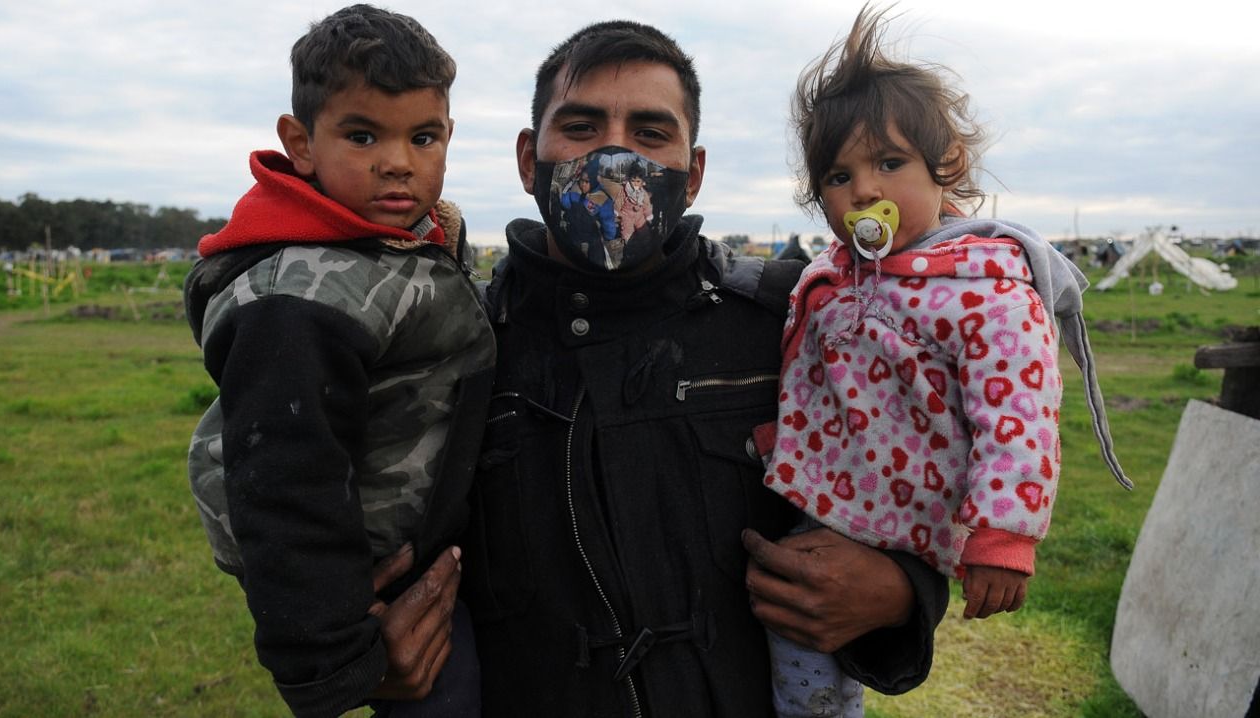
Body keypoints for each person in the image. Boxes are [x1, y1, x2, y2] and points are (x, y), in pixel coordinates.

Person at [451, 20, 949, 717]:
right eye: (584, 126)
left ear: (696, 171)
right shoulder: (460, 343)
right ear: (529, 158)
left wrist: (900, 594)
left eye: (652, 133)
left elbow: (906, 477)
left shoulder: (793, 323)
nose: (617, 154)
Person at [757, 7, 1132, 716]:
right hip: (825, 504)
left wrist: (1004, 534)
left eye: (889, 163)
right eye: (838, 176)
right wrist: (786, 443)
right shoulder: (838, 276)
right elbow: (812, 371)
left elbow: (1018, 417)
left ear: (946, 166)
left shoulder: (986, 286)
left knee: (808, 666)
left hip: (908, 521)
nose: (862, 191)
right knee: (790, 645)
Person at [182, 5, 494, 716]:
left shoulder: (401, 240)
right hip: (389, 599)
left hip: (434, 558)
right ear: (300, 143)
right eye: (362, 134)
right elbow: (286, 483)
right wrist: (331, 658)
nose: (398, 161)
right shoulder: (297, 297)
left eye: (423, 137)